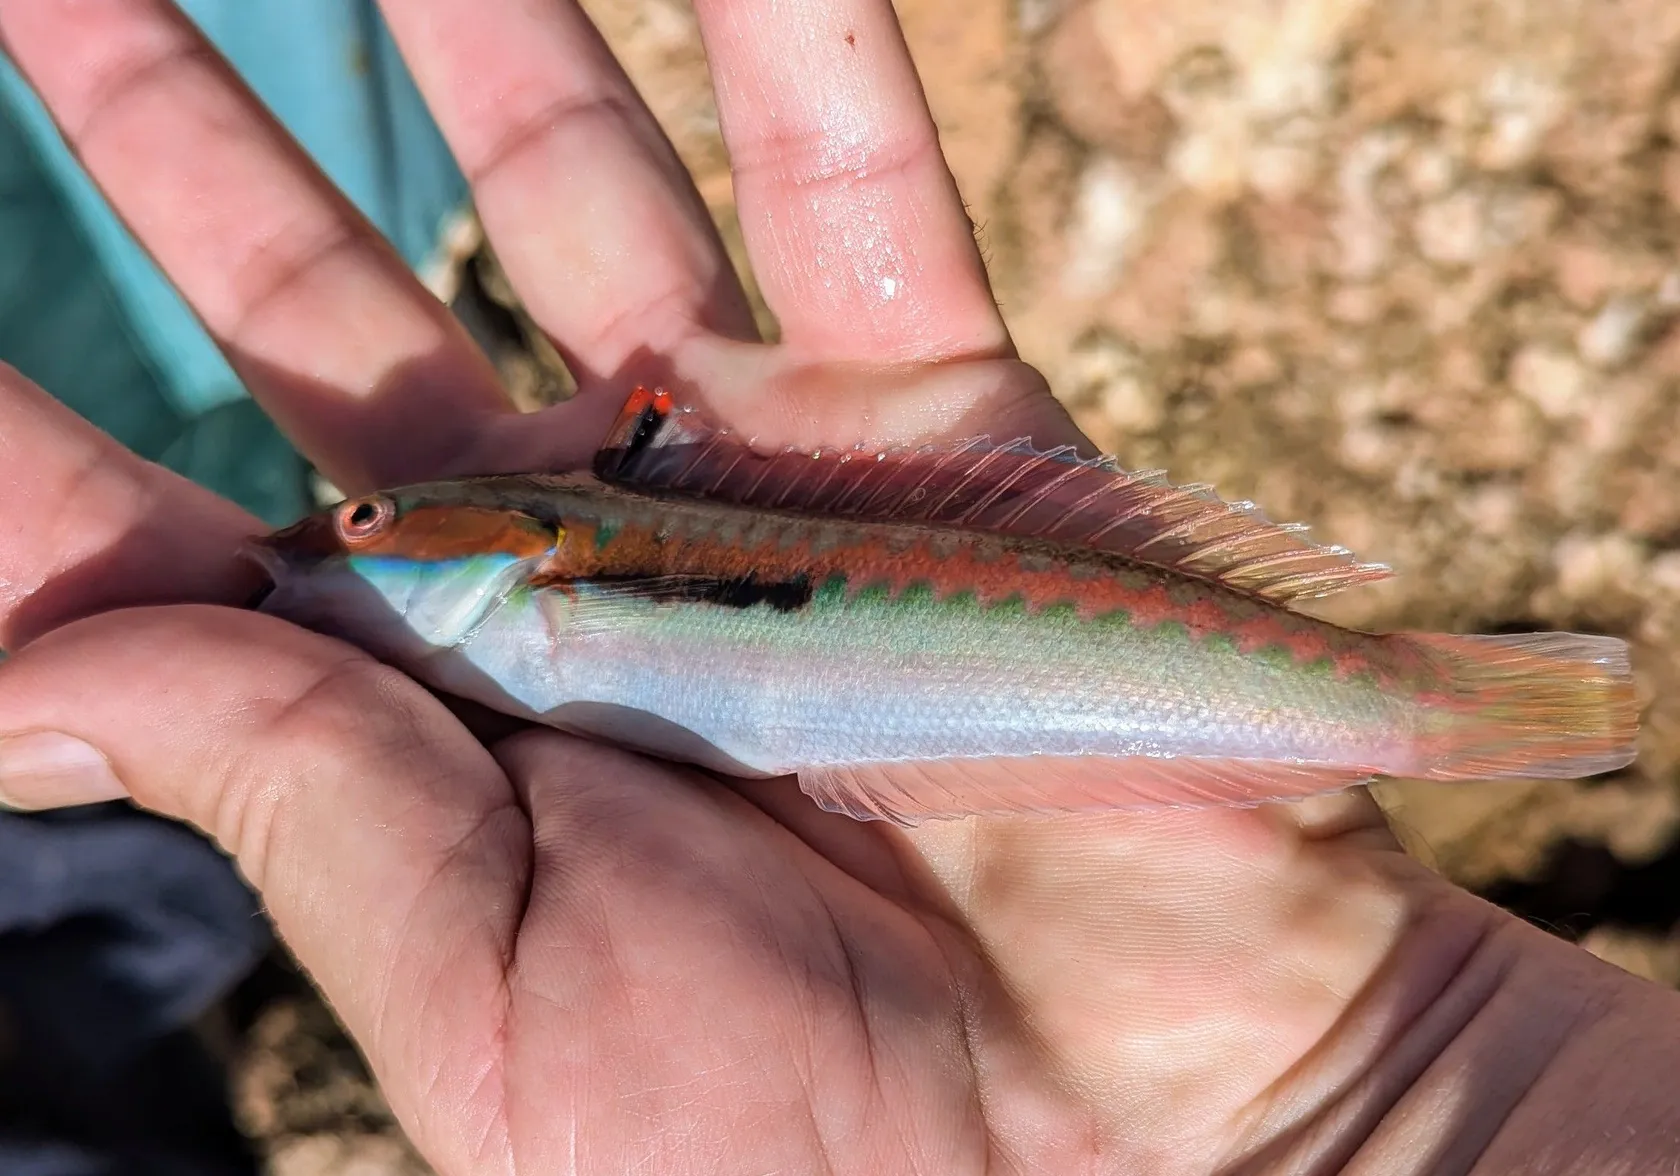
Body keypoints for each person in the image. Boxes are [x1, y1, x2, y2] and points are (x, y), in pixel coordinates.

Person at [0, 1, 1674, 1171]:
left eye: (366, 517)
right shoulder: (518, 604)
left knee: (1376, 691)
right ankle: (1439, 703)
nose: (323, 547)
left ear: (526, 545)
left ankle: (1429, 703)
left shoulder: (552, 583)